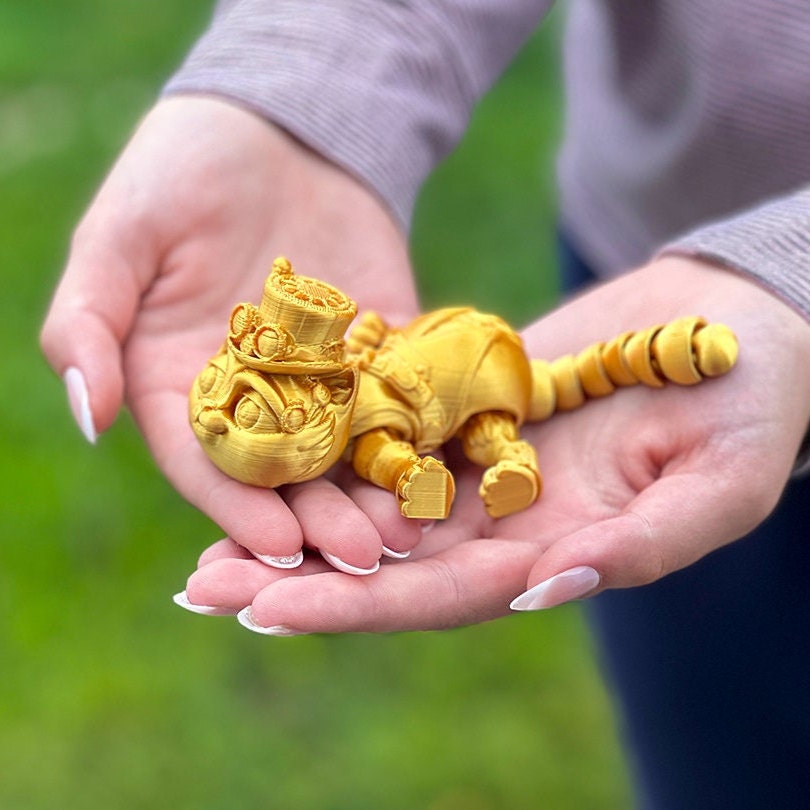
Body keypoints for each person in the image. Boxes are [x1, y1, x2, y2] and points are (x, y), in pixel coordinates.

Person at [41, 1, 810, 807]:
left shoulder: (357, 414)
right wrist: (298, 83)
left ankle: (508, 459)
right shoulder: (349, 396)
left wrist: (788, 269)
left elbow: (385, 437)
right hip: (650, 255)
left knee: (503, 423)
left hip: (582, 339)